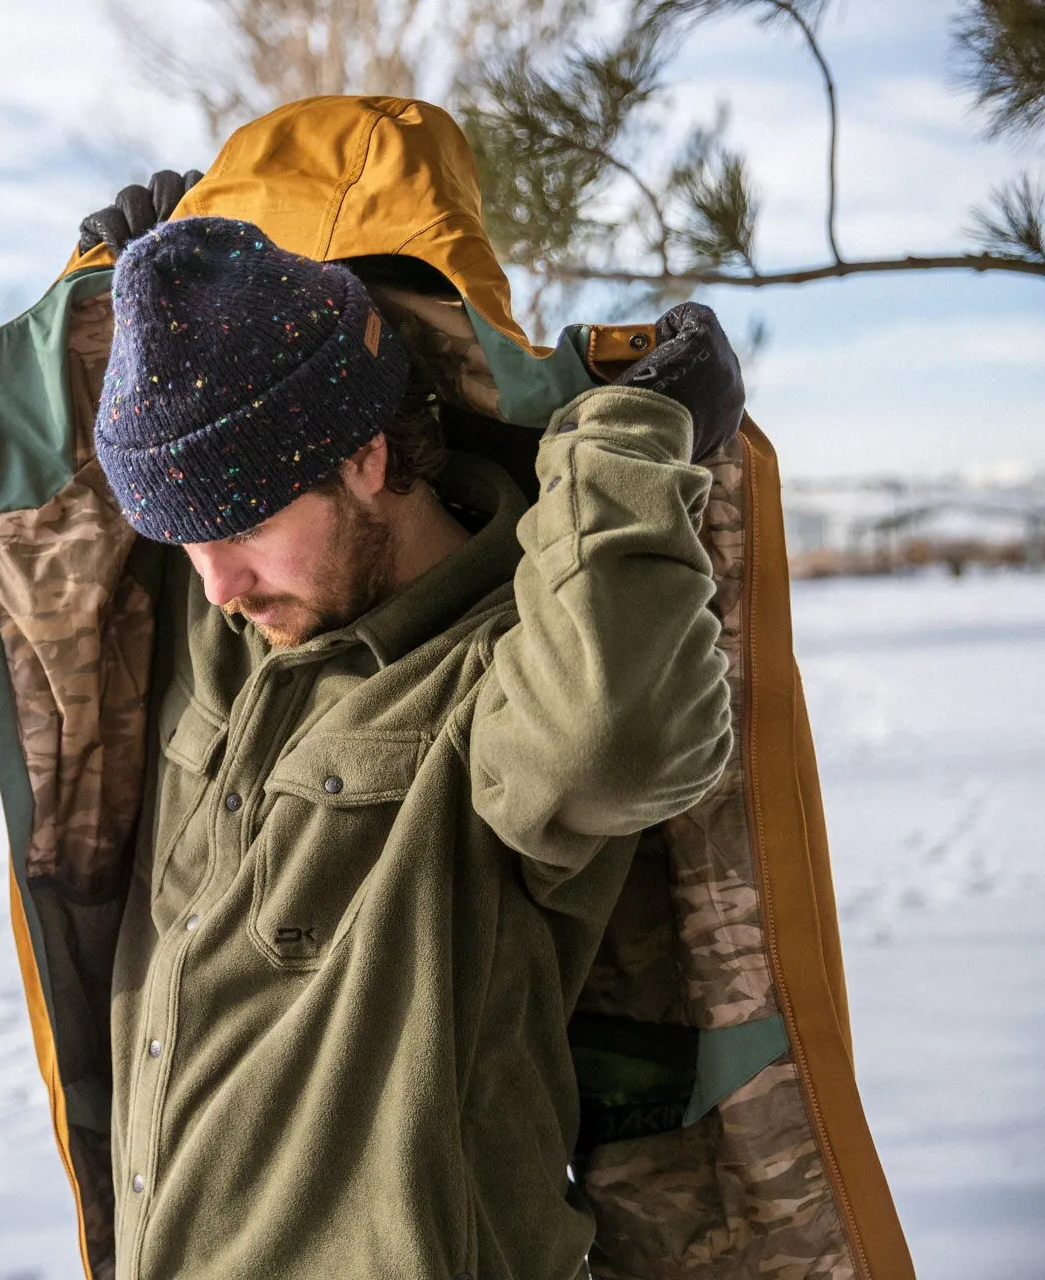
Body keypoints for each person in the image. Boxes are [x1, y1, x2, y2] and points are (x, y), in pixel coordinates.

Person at [74, 196, 740, 1278]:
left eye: (242, 524)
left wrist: (627, 442)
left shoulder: (507, 670)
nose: (217, 585)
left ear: (370, 458)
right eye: (183, 539)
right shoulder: (242, 614)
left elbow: (620, 735)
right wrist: (169, 284)